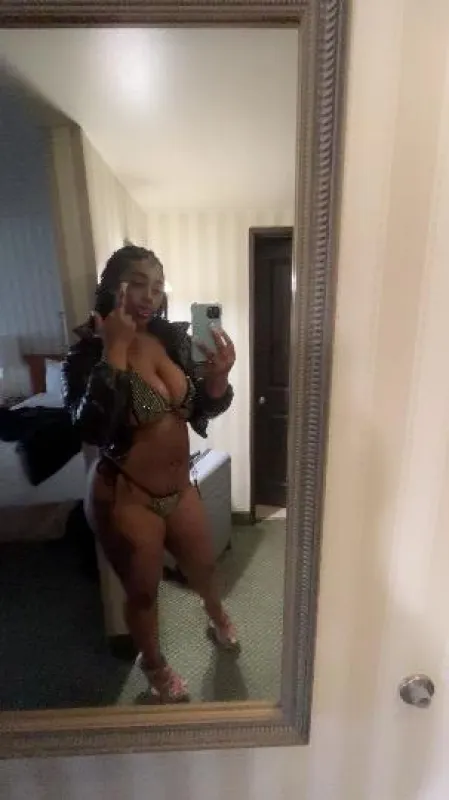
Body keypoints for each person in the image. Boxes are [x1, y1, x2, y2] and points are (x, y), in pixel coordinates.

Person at [62, 245, 238, 703]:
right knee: (143, 593)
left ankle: (216, 614)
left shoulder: (171, 340)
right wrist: (114, 352)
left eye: (157, 287)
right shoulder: (86, 352)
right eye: (138, 284)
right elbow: (89, 429)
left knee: (204, 566)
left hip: (180, 487)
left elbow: (199, 408)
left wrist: (218, 380)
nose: (149, 296)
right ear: (112, 286)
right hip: (126, 494)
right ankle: (154, 665)